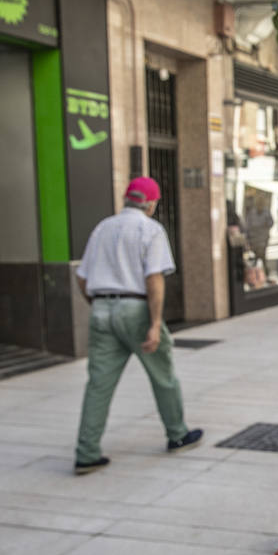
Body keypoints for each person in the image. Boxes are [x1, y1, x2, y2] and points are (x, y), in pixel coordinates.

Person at [72, 177, 202, 475]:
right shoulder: (150, 230)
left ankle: (86, 453)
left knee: (98, 385)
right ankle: (177, 434)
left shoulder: (102, 227)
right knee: (163, 375)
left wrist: (99, 305)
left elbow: (82, 277)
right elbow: (154, 278)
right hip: (135, 308)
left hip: (102, 307)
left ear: (125, 198)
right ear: (152, 204)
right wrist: (155, 324)